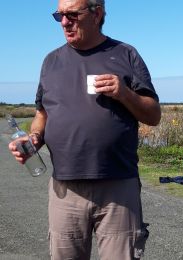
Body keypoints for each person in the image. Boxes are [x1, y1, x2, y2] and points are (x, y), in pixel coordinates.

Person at [8, 0, 161, 259]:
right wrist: (33, 139)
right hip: (65, 189)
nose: (65, 22)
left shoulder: (125, 54)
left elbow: (153, 115)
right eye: (59, 16)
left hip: (118, 186)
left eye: (72, 15)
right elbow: (42, 113)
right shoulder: (51, 61)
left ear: (97, 13)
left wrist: (124, 93)